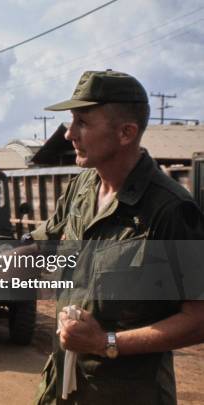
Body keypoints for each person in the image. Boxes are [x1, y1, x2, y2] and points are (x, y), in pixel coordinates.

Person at [31, 70, 204, 404]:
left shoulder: (170, 211)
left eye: (82, 122)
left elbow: (198, 319)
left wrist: (104, 343)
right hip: (64, 388)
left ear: (126, 133)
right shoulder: (82, 187)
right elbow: (42, 245)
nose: (69, 134)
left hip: (127, 394)